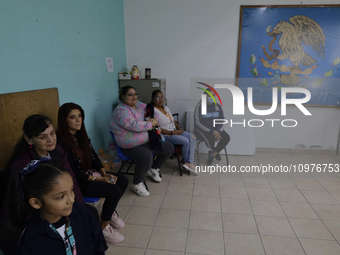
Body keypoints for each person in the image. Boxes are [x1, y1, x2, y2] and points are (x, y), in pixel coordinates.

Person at [0, 114, 105, 254]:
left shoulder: (57, 152)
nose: (50, 139)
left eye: (52, 133)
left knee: (88, 213)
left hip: (54, 209)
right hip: (36, 214)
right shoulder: (23, 166)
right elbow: (20, 205)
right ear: (29, 139)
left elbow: (71, 181)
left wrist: (78, 209)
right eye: (43, 137)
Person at [57, 102, 128, 244]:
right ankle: (104, 226)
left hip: (91, 173)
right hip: (78, 181)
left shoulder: (80, 135)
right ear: (64, 120)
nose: (78, 120)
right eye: (73, 117)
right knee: (113, 190)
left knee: (122, 180)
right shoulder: (61, 142)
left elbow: (94, 156)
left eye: (80, 116)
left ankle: (110, 210)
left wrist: (103, 172)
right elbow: (73, 174)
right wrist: (101, 180)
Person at [6, 160, 105, 255]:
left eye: (71, 190)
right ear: (36, 203)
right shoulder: (31, 240)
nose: (71, 200)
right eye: (61, 197)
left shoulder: (82, 213)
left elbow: (97, 246)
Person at [110, 86, 174, 197]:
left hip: (146, 139)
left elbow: (155, 113)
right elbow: (133, 125)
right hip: (129, 144)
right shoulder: (120, 111)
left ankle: (154, 167)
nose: (134, 97)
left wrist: (153, 121)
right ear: (122, 96)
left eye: (135, 94)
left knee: (168, 148)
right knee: (146, 156)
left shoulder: (139, 104)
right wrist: (151, 124)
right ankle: (137, 183)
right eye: (130, 95)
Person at [151, 90, 198, 175]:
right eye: (158, 97)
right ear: (153, 99)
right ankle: (184, 162)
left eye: (162, 97)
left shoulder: (165, 108)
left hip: (174, 131)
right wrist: (173, 132)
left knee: (193, 137)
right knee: (185, 141)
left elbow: (172, 120)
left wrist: (179, 127)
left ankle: (189, 162)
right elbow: (157, 128)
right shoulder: (153, 111)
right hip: (166, 135)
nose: (161, 99)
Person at [194, 88, 230, 165]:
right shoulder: (199, 106)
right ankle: (215, 152)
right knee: (210, 139)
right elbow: (198, 122)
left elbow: (222, 120)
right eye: (209, 95)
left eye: (213, 96)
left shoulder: (218, 106)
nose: (212, 97)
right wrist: (212, 131)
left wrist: (218, 131)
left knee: (226, 138)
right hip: (203, 129)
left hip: (216, 129)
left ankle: (213, 153)